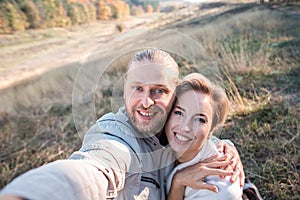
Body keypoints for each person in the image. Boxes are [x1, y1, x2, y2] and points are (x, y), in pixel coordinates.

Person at [0, 48, 244, 200]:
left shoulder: (172, 127)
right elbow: (94, 169)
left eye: (159, 91)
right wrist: (30, 194)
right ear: (125, 88)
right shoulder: (115, 136)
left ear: (174, 97)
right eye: (138, 88)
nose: (146, 102)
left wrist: (223, 145)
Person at [166, 73, 243, 200]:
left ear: (211, 130)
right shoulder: (161, 139)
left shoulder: (218, 190)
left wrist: (178, 183)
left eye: (200, 120)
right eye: (179, 112)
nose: (185, 127)